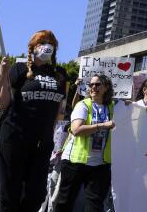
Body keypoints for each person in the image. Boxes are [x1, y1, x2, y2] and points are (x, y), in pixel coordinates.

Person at [0, 30, 67, 212]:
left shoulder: (60, 74)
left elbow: (59, 111)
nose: (47, 45)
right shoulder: (19, 69)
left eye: (51, 42)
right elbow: (3, 103)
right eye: (42, 42)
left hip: (42, 142)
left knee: (36, 195)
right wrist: (2, 74)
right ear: (32, 47)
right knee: (10, 194)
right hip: (14, 137)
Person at [53, 74, 115, 212]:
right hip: (75, 162)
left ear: (106, 87)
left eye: (98, 84)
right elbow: (76, 130)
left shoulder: (112, 106)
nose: (93, 87)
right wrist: (103, 126)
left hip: (100, 164)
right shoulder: (83, 105)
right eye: (91, 84)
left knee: (94, 205)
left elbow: (134, 112)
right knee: (65, 202)